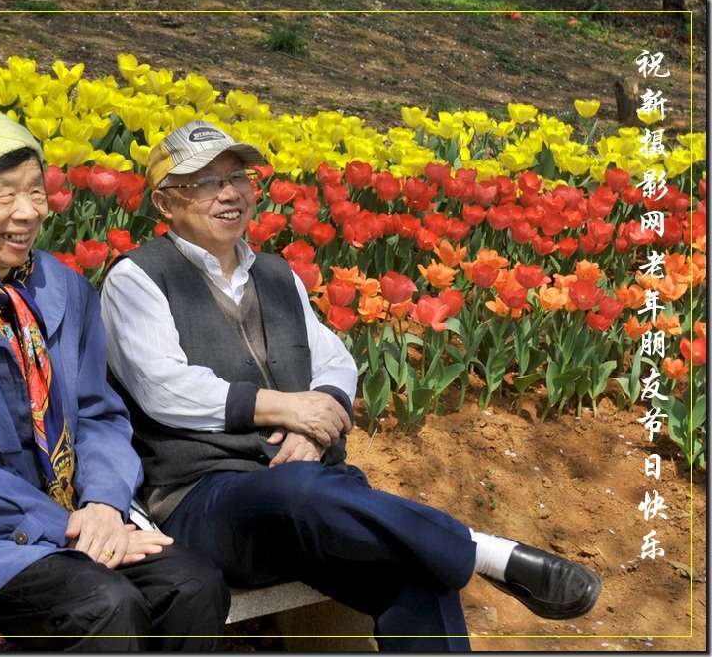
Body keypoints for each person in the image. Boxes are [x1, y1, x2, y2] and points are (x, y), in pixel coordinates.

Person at [99, 120, 602, 651]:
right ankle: (485, 553)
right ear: (164, 202)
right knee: (301, 492)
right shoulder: (137, 278)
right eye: (204, 181)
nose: (229, 192)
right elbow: (165, 388)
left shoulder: (275, 274)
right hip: (201, 502)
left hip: (309, 494)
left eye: (237, 176)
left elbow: (333, 359)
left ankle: (456, 560)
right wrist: (288, 410)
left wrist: (317, 429)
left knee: (415, 574)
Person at [0, 107, 229, 651]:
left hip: (81, 518)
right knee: (106, 606)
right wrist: (71, 528)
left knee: (194, 585)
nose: (29, 212)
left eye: (36, 192)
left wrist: (104, 503)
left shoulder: (63, 289)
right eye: (6, 195)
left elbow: (100, 415)